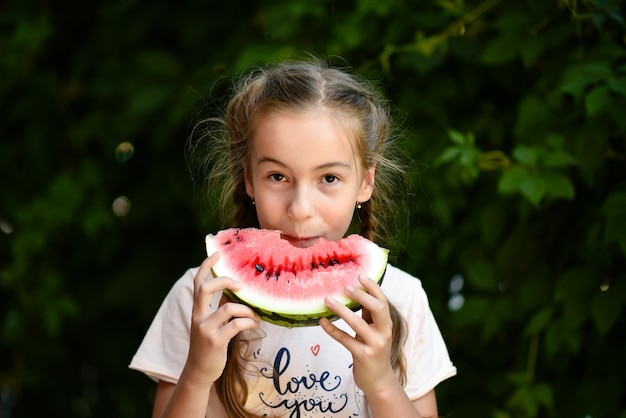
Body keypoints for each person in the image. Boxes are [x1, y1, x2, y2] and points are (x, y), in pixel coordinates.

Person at [129, 57, 456, 418]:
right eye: (278, 177)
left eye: (329, 178)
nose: (300, 208)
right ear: (249, 179)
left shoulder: (402, 299)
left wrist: (381, 383)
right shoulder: (199, 300)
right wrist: (196, 375)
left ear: (365, 182)